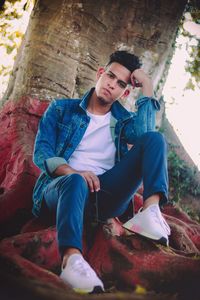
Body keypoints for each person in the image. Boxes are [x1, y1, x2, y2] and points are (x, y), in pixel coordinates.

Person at [32, 50, 170, 294]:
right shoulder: (62, 109)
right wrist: (74, 171)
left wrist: (147, 84)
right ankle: (72, 261)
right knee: (74, 181)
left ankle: (150, 210)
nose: (111, 85)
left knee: (155, 140)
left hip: (105, 196)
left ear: (125, 92)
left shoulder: (125, 122)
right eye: (110, 76)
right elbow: (42, 153)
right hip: (63, 190)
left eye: (120, 84)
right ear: (100, 73)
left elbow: (146, 135)